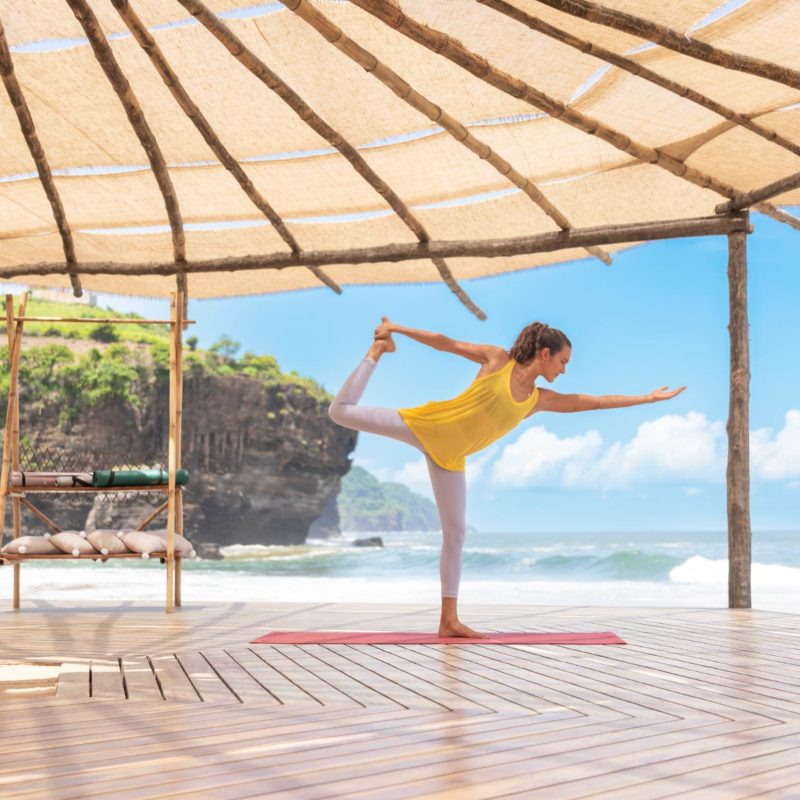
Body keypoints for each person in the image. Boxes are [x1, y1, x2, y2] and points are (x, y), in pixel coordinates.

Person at [328, 317, 686, 638]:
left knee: (456, 534)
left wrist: (646, 398)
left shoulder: (536, 399)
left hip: (451, 458)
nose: (564, 370)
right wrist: (396, 330)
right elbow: (445, 342)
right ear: (545, 353)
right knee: (340, 412)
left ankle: (448, 621)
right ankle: (377, 351)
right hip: (424, 425)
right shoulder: (497, 360)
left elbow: (589, 402)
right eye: (563, 362)